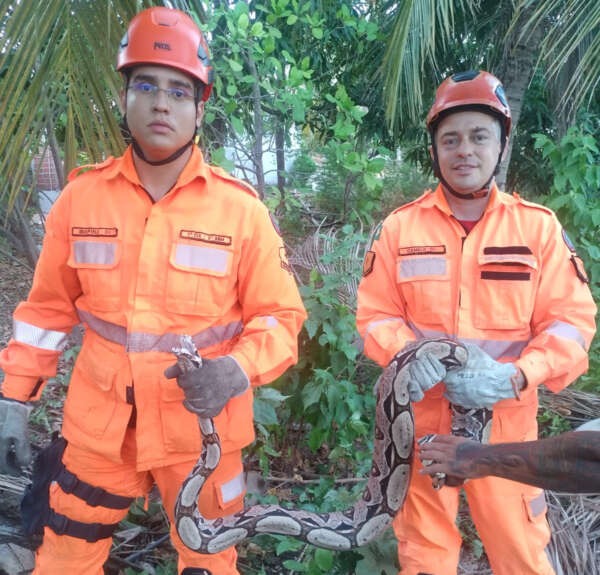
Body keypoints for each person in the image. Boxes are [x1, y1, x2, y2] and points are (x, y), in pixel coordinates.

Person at [0, 7, 306, 575]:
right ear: (125, 97)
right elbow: (45, 310)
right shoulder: (80, 200)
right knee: (64, 558)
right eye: (146, 85)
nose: (161, 102)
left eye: (178, 90)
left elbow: (280, 317)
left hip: (202, 431)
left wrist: (236, 370)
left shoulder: (242, 211)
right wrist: (13, 401)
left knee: (208, 563)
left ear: (199, 106)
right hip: (99, 427)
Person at [355, 70, 597, 575]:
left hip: (507, 430)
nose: (464, 150)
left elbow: (571, 323)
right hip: (420, 422)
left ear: (501, 146)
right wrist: (406, 357)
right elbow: (376, 315)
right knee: (424, 556)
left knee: (521, 553)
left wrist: (517, 375)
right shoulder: (400, 229)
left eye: (478, 136)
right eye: (450, 139)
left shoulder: (537, 228)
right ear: (435, 151)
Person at [418, 419, 600, 493]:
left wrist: (481, 458)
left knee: (518, 544)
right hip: (425, 416)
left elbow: (585, 457)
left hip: (508, 423)